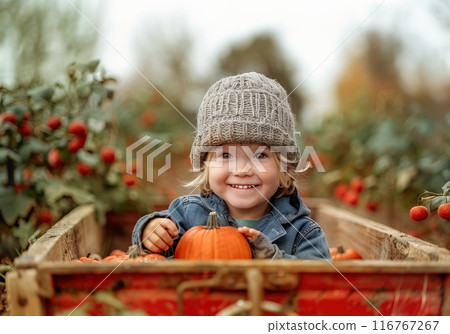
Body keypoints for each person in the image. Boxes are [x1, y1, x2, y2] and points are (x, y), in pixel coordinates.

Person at [132, 72, 331, 260]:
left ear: (283, 166)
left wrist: (273, 260)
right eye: (225, 155)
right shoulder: (186, 214)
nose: (242, 170)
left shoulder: (303, 233)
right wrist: (149, 230)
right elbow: (151, 255)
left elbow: (320, 280)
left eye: (260, 155)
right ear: (206, 164)